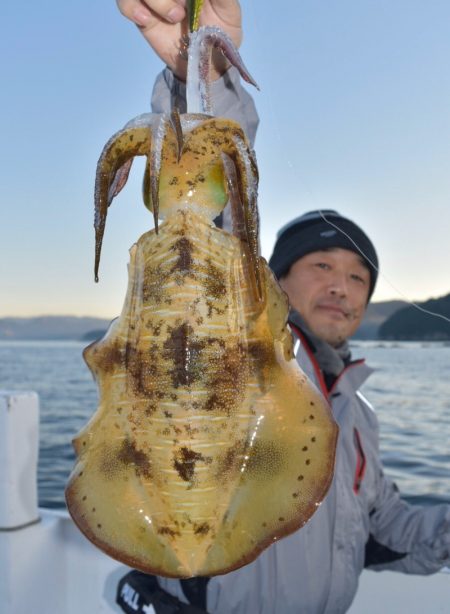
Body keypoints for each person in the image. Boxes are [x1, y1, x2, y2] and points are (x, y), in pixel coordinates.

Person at [115, 2, 450, 612]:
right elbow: (200, 220)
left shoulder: (359, 412)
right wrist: (205, 83)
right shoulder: (239, 348)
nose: (340, 287)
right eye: (321, 266)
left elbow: (385, 528)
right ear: (277, 278)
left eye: (357, 277)